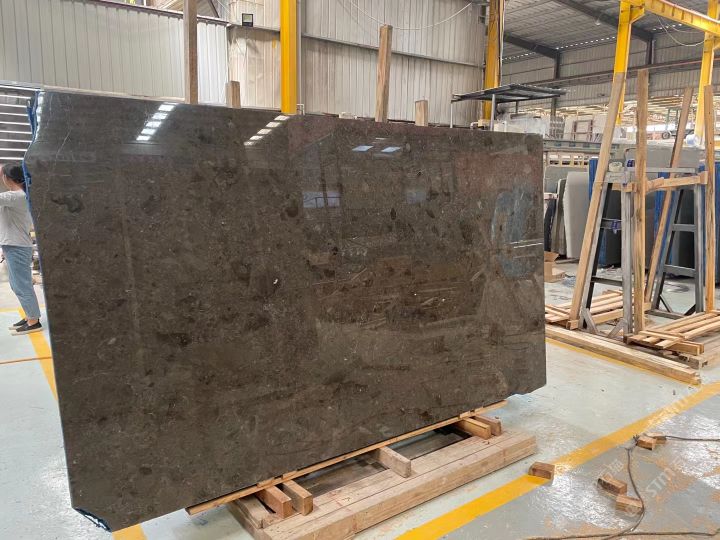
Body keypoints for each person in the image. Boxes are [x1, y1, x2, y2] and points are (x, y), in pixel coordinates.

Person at [0, 163, 42, 335]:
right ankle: (30, 315)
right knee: (17, 285)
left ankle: (34, 321)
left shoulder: (16, 196)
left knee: (22, 285)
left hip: (17, 246)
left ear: (7, 178)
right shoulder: (15, 196)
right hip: (12, 245)